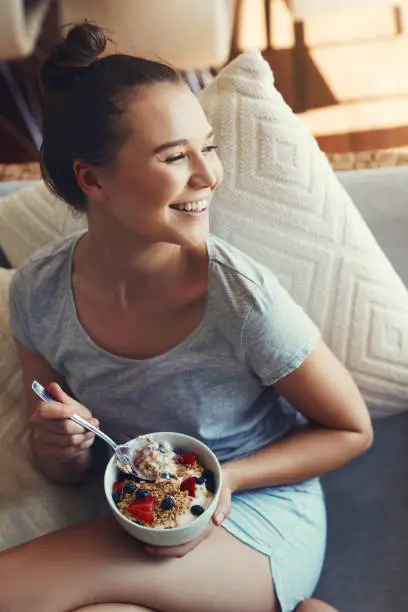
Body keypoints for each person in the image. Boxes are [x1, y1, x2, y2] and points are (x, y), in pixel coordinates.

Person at [0, 23, 373, 612]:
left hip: (254, 516)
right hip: (142, 518)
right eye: (175, 156)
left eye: (209, 147)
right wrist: (62, 443)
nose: (208, 175)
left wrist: (226, 481)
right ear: (91, 178)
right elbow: (63, 467)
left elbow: (352, 429)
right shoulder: (36, 295)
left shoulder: (240, 296)